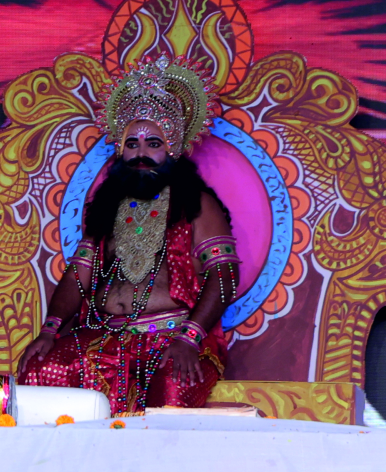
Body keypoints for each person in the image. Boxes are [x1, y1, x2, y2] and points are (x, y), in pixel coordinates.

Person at [18, 58, 240, 415]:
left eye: (153, 143)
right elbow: (78, 275)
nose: (141, 154)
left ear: (173, 148)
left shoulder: (197, 203)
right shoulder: (107, 207)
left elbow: (225, 275)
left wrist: (190, 338)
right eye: (132, 144)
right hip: (107, 337)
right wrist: (50, 330)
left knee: (172, 395)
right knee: (41, 368)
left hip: (174, 338)